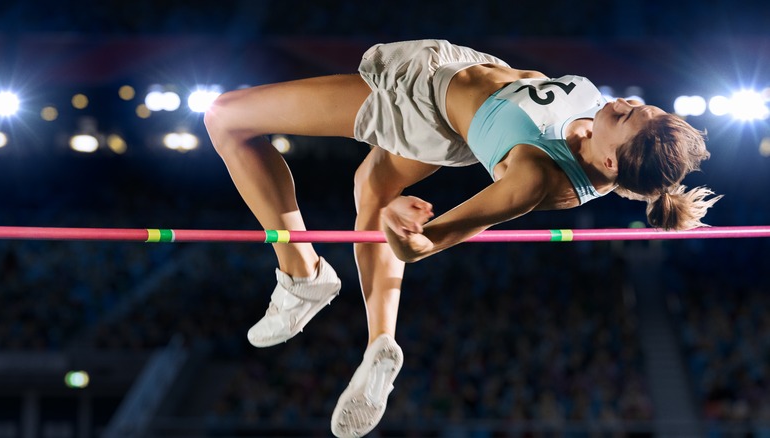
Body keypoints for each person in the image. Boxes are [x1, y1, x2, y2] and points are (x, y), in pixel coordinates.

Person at [203, 39, 720, 437]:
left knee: (225, 116)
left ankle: (301, 274)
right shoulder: (610, 151)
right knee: (372, 184)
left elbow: (424, 244)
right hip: (459, 93)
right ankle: (378, 341)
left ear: (609, 161)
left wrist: (399, 226)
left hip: (421, 106)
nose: (626, 102)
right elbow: (632, 157)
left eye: (628, 116)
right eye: (641, 105)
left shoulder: (534, 178)